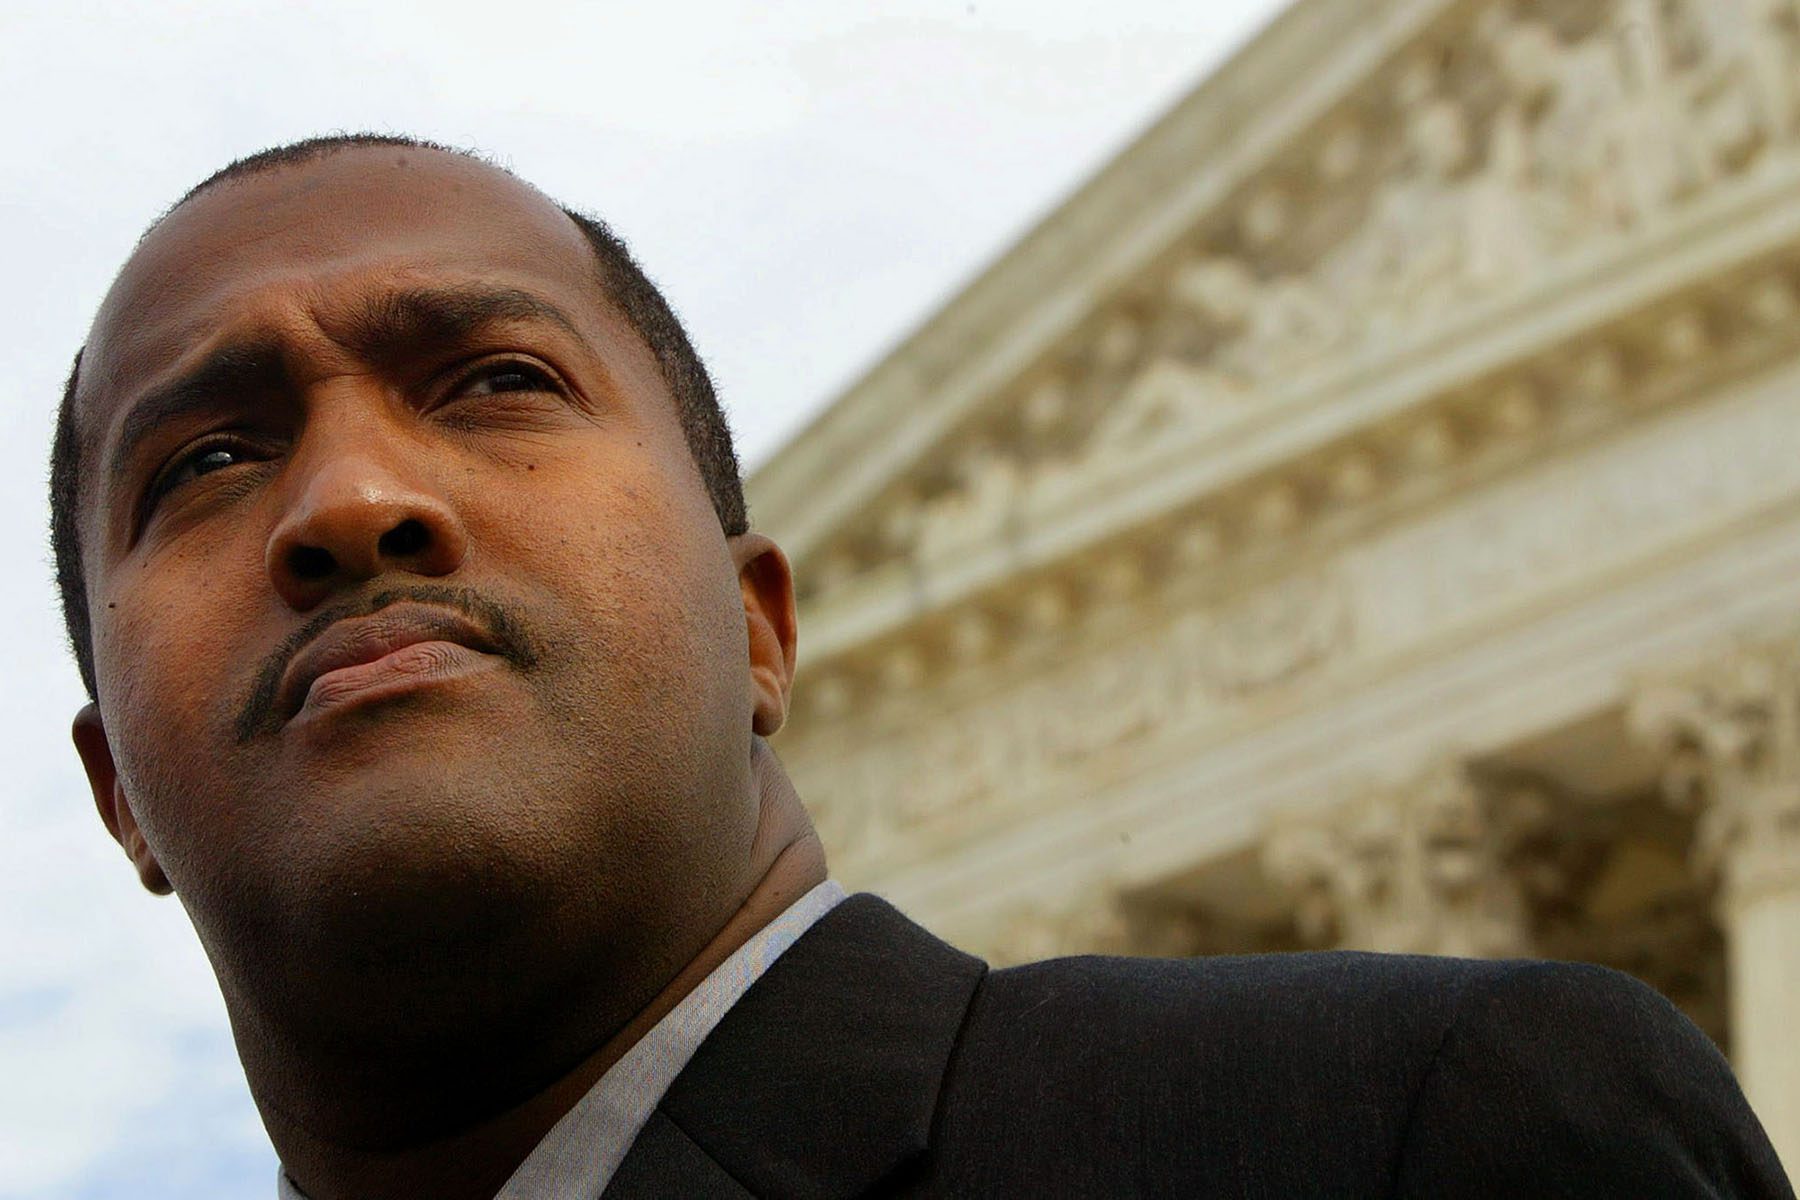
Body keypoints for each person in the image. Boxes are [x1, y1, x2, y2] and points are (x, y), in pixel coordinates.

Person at [51, 134, 1791, 1199]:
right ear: (117, 792)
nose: (353, 502)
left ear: (759, 632)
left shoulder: (1424, 1134)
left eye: (496, 381)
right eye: (203, 461)